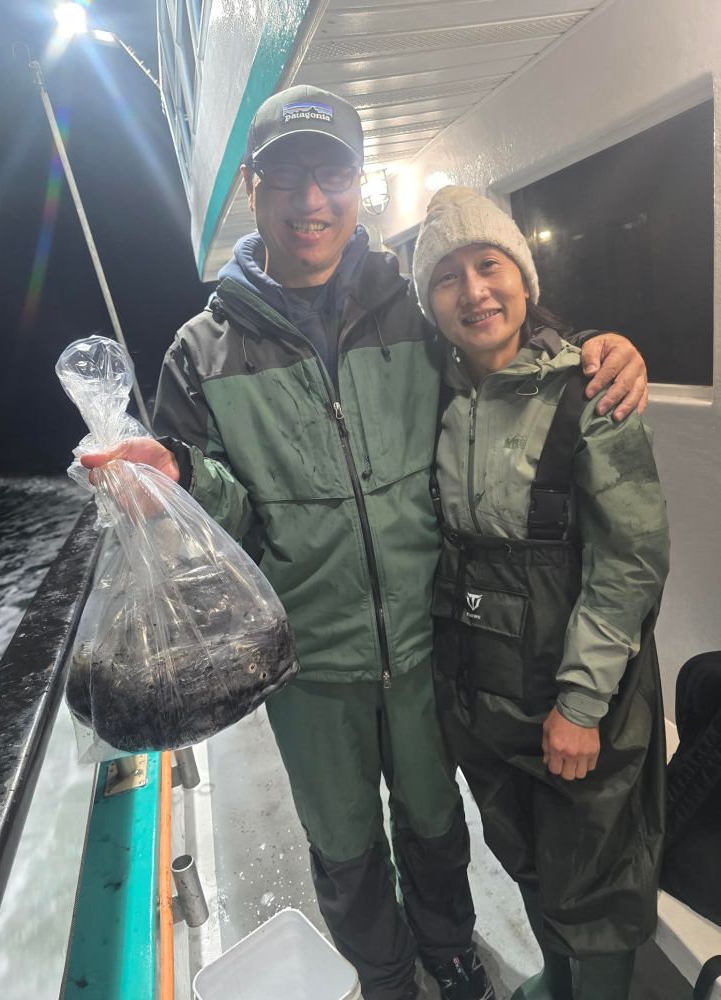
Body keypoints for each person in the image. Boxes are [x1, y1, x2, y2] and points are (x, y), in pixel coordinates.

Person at [82, 87, 649, 1000]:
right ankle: (386, 976)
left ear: (357, 183)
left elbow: (503, 349)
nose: (312, 200)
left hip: (434, 644)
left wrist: (599, 346)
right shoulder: (201, 350)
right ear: (256, 189)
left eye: (333, 173)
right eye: (289, 177)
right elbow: (222, 521)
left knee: (435, 820)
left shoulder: (411, 306)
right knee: (344, 844)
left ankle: (452, 951)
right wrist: (174, 482)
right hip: (308, 664)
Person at [411, 185, 669, 1000]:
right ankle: (555, 984)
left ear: (525, 277)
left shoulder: (592, 387)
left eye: (489, 265)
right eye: (447, 277)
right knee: (522, 852)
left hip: (574, 687)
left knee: (592, 879)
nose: (474, 290)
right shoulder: (433, 393)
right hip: (482, 693)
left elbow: (630, 559)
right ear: (430, 303)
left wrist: (584, 703)